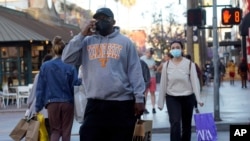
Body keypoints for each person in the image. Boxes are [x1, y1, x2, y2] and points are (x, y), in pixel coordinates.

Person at [61, 7, 145, 141]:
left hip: (121, 104)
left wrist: (139, 98)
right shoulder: (87, 41)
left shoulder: (125, 42)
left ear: (113, 21)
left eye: (105, 18)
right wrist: (82, 34)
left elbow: (135, 71)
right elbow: (66, 58)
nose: (101, 21)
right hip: (95, 104)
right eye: (98, 19)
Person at [158, 40, 204, 141]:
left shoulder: (189, 64)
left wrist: (199, 99)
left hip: (188, 97)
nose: (175, 50)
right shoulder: (166, 65)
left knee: (186, 125)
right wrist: (160, 102)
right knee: (175, 123)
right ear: (170, 50)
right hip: (172, 98)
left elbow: (195, 82)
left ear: (182, 49)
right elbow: (163, 84)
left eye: (178, 47)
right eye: (173, 48)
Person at [35, 36, 79, 141]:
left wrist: (38, 106)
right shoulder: (70, 66)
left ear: (53, 49)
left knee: (55, 131)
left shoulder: (45, 66)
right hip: (68, 103)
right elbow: (75, 85)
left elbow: (40, 88)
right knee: (66, 132)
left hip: (52, 103)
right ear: (64, 50)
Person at [27, 54, 53, 137]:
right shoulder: (55, 75)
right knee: (51, 133)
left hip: (39, 109)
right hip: (52, 108)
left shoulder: (39, 75)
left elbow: (34, 92)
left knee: (38, 134)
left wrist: (29, 105)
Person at [140, 48, 157, 114]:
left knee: (152, 93)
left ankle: (153, 108)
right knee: (145, 93)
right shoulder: (142, 59)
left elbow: (155, 68)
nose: (149, 55)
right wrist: (150, 67)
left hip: (152, 77)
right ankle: (144, 108)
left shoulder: (152, 59)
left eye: (151, 54)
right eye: (149, 53)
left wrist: (155, 68)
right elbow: (141, 68)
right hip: (145, 78)